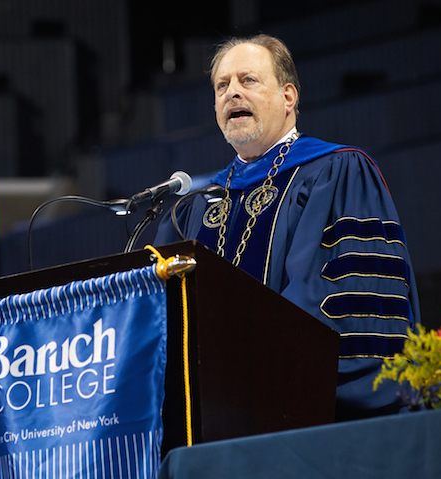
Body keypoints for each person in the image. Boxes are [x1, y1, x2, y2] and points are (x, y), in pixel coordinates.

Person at [154, 34, 421, 421]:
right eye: (222, 86)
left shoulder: (336, 173)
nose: (232, 94)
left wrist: (243, 365)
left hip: (306, 413)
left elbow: (342, 303)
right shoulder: (192, 209)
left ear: (288, 97)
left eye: (248, 80)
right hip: (210, 417)